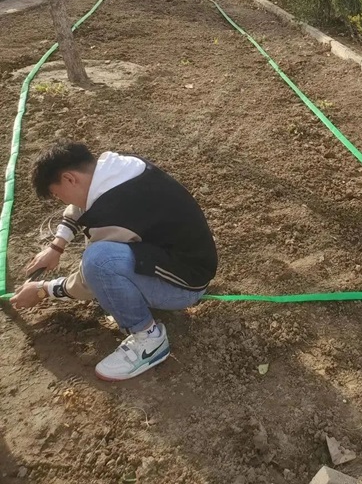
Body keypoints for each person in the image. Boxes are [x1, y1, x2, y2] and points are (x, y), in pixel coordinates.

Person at [10, 142, 218, 381]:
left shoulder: (113, 214)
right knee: (104, 263)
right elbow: (80, 205)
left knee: (98, 260)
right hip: (191, 259)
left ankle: (149, 339)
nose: (60, 200)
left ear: (69, 178)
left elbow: (89, 280)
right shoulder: (116, 168)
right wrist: (57, 246)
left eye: (57, 194)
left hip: (185, 286)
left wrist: (43, 290)